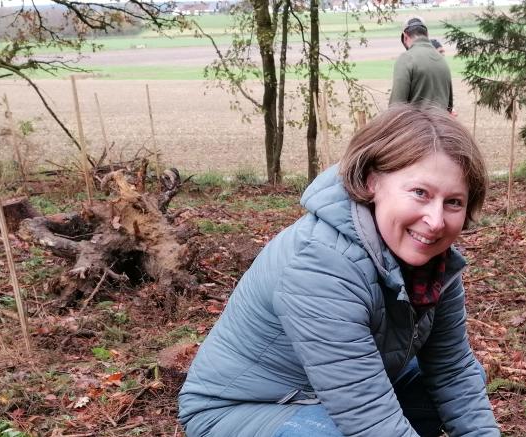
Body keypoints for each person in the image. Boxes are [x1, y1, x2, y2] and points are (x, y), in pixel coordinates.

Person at [178, 105, 500, 437]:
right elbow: (368, 417)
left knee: (464, 381)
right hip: (244, 409)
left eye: (453, 202)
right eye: (420, 193)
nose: (435, 221)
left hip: (330, 392)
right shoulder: (321, 264)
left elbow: (452, 372)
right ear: (372, 180)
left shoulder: (436, 265)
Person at [390, 17, 453, 112]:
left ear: (405, 37)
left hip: (416, 125)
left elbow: (395, 107)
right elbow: (449, 105)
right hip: (441, 123)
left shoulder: (406, 58)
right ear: (427, 35)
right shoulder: (442, 60)